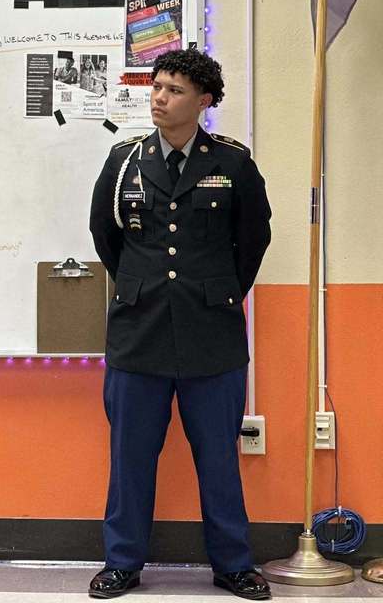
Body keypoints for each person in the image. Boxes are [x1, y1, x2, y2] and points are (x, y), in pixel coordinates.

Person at [87, 48, 272, 600]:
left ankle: (233, 564)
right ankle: (122, 562)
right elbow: (105, 235)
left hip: (211, 333)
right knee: (130, 458)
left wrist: (219, 290)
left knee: (218, 458)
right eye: (157, 87)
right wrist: (141, 284)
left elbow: (253, 239)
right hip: (138, 330)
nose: (160, 98)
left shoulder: (232, 163)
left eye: (174, 90)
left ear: (203, 101)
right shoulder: (124, 160)